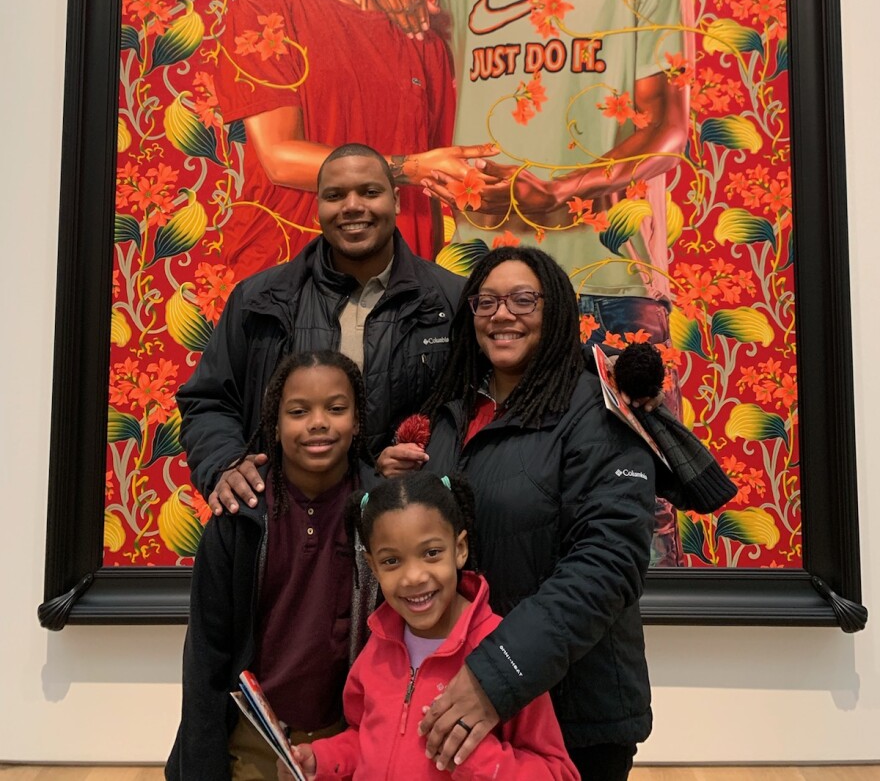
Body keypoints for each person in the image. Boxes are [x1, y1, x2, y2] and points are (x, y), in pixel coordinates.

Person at [427, 0, 695, 566]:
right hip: (478, 284)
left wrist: (570, 188)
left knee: (633, 518)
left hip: (606, 276)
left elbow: (667, 125)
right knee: (476, 516)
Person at [378, 246, 656, 781]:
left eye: (524, 299)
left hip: (571, 711)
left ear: (554, 313)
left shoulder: (598, 412)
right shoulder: (449, 412)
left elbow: (607, 563)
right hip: (463, 704)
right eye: (486, 301)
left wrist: (497, 674)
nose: (502, 314)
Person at [215, 0, 494, 279]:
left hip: (401, 277)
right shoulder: (266, 13)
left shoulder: (419, 31)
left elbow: (449, 171)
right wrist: (411, 167)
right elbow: (281, 157)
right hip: (291, 275)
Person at [177, 144, 463, 515]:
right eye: (335, 195)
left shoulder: (451, 300)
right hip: (287, 525)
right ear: (318, 207)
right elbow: (209, 401)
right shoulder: (261, 299)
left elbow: (474, 413)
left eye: (370, 192)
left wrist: (413, 471)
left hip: (410, 529)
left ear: (395, 200)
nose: (352, 206)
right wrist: (225, 462)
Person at [280, 470, 578, 781]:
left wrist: (473, 759)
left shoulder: (503, 652)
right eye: (392, 561)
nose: (413, 577)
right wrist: (323, 760)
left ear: (459, 549)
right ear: (372, 566)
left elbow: (557, 772)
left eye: (431, 553)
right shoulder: (378, 644)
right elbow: (365, 737)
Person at [167, 350, 375, 781]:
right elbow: (206, 656)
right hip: (255, 736)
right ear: (274, 425)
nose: (318, 422)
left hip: (351, 736)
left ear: (357, 420)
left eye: (336, 409)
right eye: (298, 411)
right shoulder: (239, 518)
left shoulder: (382, 512)